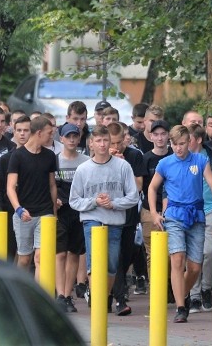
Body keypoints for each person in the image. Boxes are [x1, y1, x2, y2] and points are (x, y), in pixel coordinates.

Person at [148, 125, 212, 323]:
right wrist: (154, 213)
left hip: (196, 214)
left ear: (189, 142)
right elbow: (152, 187)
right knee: (177, 258)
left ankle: (182, 293)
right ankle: (181, 307)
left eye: (182, 144)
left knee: (195, 267)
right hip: (173, 214)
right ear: (170, 144)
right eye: (175, 145)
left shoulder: (200, 160)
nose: (178, 148)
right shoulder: (165, 163)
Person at [69, 125, 139, 314]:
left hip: (115, 220)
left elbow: (133, 196)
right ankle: (98, 301)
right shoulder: (83, 169)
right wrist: (94, 201)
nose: (102, 144)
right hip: (92, 219)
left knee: (111, 265)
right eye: (98, 140)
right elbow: (74, 200)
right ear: (91, 143)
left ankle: (103, 295)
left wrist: (114, 203)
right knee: (93, 262)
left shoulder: (122, 166)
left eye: (105, 140)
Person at [6, 116, 58, 277]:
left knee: (41, 257)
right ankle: (19, 291)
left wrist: (54, 213)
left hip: (45, 212)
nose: (51, 136)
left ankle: (39, 298)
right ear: (40, 133)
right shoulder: (18, 155)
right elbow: (10, 187)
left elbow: (52, 185)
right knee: (24, 259)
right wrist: (19, 209)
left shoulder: (49, 155)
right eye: (49, 133)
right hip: (24, 212)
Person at [107, 121, 147, 316]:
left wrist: (123, 167)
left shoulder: (134, 156)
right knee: (114, 258)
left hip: (129, 215)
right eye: (111, 143)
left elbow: (138, 185)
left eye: (118, 142)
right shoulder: (101, 157)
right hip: (108, 216)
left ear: (125, 139)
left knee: (125, 256)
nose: (115, 147)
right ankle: (119, 299)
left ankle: (110, 293)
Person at [54, 123, 90, 313]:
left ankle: (67, 295)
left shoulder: (85, 161)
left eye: (75, 136)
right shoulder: (55, 160)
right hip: (61, 211)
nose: (72, 140)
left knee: (74, 253)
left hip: (79, 211)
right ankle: (59, 294)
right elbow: (50, 185)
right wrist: (55, 200)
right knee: (59, 253)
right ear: (61, 139)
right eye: (68, 136)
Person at [188, 124, 212, 314]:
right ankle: (194, 296)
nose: (185, 144)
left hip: (209, 209)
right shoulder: (182, 159)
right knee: (193, 254)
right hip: (189, 211)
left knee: (210, 251)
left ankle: (206, 287)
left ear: (199, 140)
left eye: (189, 140)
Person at [0, 114, 31, 260]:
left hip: (33, 211)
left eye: (26, 130)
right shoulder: (6, 158)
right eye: (19, 130)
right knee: (7, 255)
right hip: (8, 212)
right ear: (13, 131)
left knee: (29, 257)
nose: (22, 134)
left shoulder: (42, 156)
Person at [139, 119, 173, 276]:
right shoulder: (145, 159)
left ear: (168, 136)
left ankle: (171, 289)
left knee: (172, 254)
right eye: (156, 134)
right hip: (150, 210)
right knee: (153, 255)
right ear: (151, 136)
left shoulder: (175, 155)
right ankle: (155, 292)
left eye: (163, 134)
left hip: (174, 210)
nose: (160, 138)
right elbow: (142, 187)